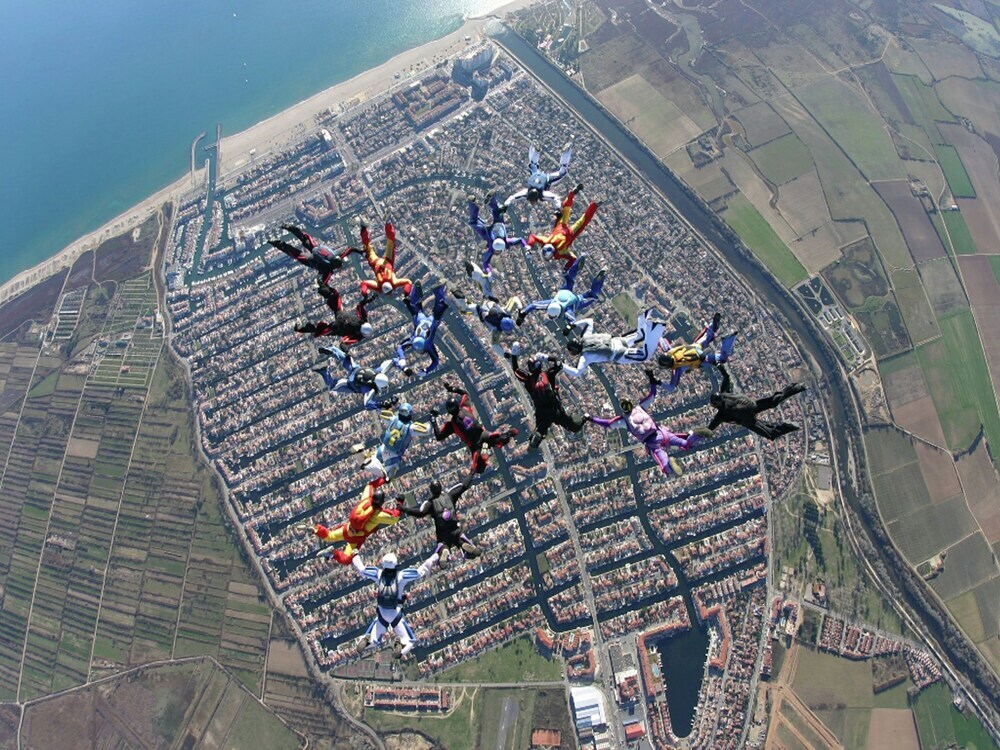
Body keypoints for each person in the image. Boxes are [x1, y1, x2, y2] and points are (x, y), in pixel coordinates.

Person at [589, 370, 712, 477]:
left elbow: (607, 423)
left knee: (665, 467)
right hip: (662, 433)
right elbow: (652, 394)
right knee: (685, 444)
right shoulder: (641, 407)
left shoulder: (623, 421)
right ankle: (695, 435)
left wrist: (591, 419)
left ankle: (670, 464)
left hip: (653, 443)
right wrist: (651, 378)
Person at [351, 549, 439, 657]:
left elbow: (362, 570)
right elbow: (420, 572)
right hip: (395, 612)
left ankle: (367, 639)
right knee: (409, 640)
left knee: (375, 640)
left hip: (382, 611)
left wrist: (355, 555)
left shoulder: (378, 574)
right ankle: (400, 648)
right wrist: (434, 557)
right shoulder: (401, 576)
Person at [506, 349, 587, 450]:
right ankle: (584, 419)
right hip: (554, 408)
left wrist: (514, 355)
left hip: (541, 411)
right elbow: (560, 362)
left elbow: (516, 370)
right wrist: (546, 357)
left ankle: (535, 440)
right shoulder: (547, 374)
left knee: (541, 429)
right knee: (570, 424)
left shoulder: (528, 380)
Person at [429, 381, 518, 473]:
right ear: (457, 405)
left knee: (479, 468)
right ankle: (502, 437)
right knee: (493, 440)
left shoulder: (452, 425)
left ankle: (497, 441)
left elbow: (438, 436)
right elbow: (465, 393)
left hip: (475, 444)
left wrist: (433, 421)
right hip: (483, 434)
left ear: (449, 411)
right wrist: (452, 389)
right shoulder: (465, 408)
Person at [305, 479, 398, 565]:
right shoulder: (378, 515)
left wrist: (383, 479)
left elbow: (370, 486)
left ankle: (316, 530)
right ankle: (332, 554)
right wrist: (400, 506)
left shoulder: (366, 499)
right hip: (357, 537)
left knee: (330, 536)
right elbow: (394, 518)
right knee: (346, 559)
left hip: (348, 528)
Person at [706, 365, 807, 440]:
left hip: (748, 420)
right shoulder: (725, 393)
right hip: (752, 405)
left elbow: (709, 429)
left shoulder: (721, 415)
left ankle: (789, 427)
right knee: (773, 401)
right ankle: (796, 388)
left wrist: (697, 435)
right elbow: (726, 376)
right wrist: (719, 365)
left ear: (716, 404)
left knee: (771, 434)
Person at [400, 468, 481, 562]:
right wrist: (472, 473)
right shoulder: (450, 495)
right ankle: (462, 544)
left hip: (443, 533)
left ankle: (444, 550)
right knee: (458, 539)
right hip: (455, 528)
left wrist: (404, 509)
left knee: (443, 544)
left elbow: (420, 513)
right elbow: (464, 486)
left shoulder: (430, 503)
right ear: (441, 487)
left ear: (431, 491)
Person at [561, 309, 667, 378]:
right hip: (617, 341)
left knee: (644, 355)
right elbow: (589, 321)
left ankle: (656, 327)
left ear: (575, 350)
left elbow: (577, 373)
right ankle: (642, 318)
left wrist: (561, 365)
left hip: (619, 354)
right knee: (640, 335)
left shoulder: (585, 357)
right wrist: (572, 326)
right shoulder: (585, 336)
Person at [657, 313, 738, 390]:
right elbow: (660, 339)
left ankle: (729, 339)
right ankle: (713, 326)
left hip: (700, 359)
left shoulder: (677, 369)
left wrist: (658, 383)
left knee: (723, 358)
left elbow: (671, 388)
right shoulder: (669, 351)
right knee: (707, 337)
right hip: (695, 347)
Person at [352, 401, 431, 481]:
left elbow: (381, 413)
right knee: (387, 477)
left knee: (368, 460)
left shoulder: (393, 419)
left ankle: (363, 458)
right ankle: (378, 470)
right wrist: (432, 421)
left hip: (383, 448)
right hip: (394, 455)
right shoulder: (411, 428)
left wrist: (384, 405)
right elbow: (428, 430)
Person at [525, 185, 598, 269]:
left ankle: (594, 205)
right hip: (560, 226)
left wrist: (566, 268)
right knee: (566, 208)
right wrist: (529, 246)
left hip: (570, 233)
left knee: (583, 221)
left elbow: (573, 258)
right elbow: (533, 236)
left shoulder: (560, 251)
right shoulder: (546, 241)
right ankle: (571, 194)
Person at [519, 257, 607, 325]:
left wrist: (523, 313)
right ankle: (578, 261)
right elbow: (533, 305)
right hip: (565, 292)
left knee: (592, 295)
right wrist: (523, 313)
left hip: (575, 300)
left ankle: (601, 277)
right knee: (570, 279)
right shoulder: (551, 304)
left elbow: (572, 320)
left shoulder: (566, 310)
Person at [467, 194, 527, 288]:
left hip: (492, 229)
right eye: (497, 251)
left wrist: (526, 247)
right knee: (479, 219)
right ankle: (477, 202)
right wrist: (489, 272)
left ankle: (488, 200)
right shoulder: (497, 247)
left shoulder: (505, 242)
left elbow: (520, 240)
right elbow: (485, 263)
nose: (496, 253)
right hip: (488, 231)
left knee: (497, 212)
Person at [342, 220, 413, 296]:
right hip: (377, 263)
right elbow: (364, 284)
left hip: (386, 262)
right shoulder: (379, 287)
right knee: (368, 247)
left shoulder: (392, 283)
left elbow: (408, 282)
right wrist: (364, 293)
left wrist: (406, 293)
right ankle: (363, 228)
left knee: (391, 242)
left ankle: (388, 223)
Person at [314, 343, 394, 409]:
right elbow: (367, 405)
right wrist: (381, 405)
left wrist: (397, 363)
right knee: (332, 386)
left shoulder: (377, 372)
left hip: (356, 370)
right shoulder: (370, 389)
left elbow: (388, 363)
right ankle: (324, 372)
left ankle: (333, 350)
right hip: (350, 384)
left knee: (345, 359)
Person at [294, 283, 376, 348]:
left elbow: (360, 306)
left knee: (334, 298)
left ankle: (319, 287)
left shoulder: (363, 321)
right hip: (338, 326)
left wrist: (369, 300)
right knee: (320, 330)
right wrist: (344, 349)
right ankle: (302, 326)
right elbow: (346, 342)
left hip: (341, 316)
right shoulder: (358, 335)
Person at [392, 282, 447, 377]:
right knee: (413, 304)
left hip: (432, 322)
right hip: (420, 320)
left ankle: (438, 290)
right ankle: (416, 291)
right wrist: (402, 358)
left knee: (439, 305)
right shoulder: (413, 340)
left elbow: (436, 361)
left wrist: (427, 370)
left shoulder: (428, 345)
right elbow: (400, 347)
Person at [268, 225, 345, 285]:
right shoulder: (328, 270)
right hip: (311, 261)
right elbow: (323, 279)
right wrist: (318, 283)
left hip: (316, 250)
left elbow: (345, 251)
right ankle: (278, 243)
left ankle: (291, 229)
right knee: (296, 254)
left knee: (305, 239)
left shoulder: (335, 255)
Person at [503, 143, 573, 207]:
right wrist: (505, 204)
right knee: (532, 164)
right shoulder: (527, 192)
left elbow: (555, 198)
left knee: (563, 172)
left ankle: (537, 152)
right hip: (535, 174)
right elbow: (513, 197)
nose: (531, 203)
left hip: (546, 178)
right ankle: (536, 151)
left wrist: (558, 209)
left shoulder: (541, 194)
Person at [450, 287, 522, 348]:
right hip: (480, 309)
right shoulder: (495, 328)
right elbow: (494, 344)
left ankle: (460, 295)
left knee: (469, 306)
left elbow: (515, 299)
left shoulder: (506, 312)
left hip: (487, 302)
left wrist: (520, 307)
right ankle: (459, 296)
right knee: (463, 310)